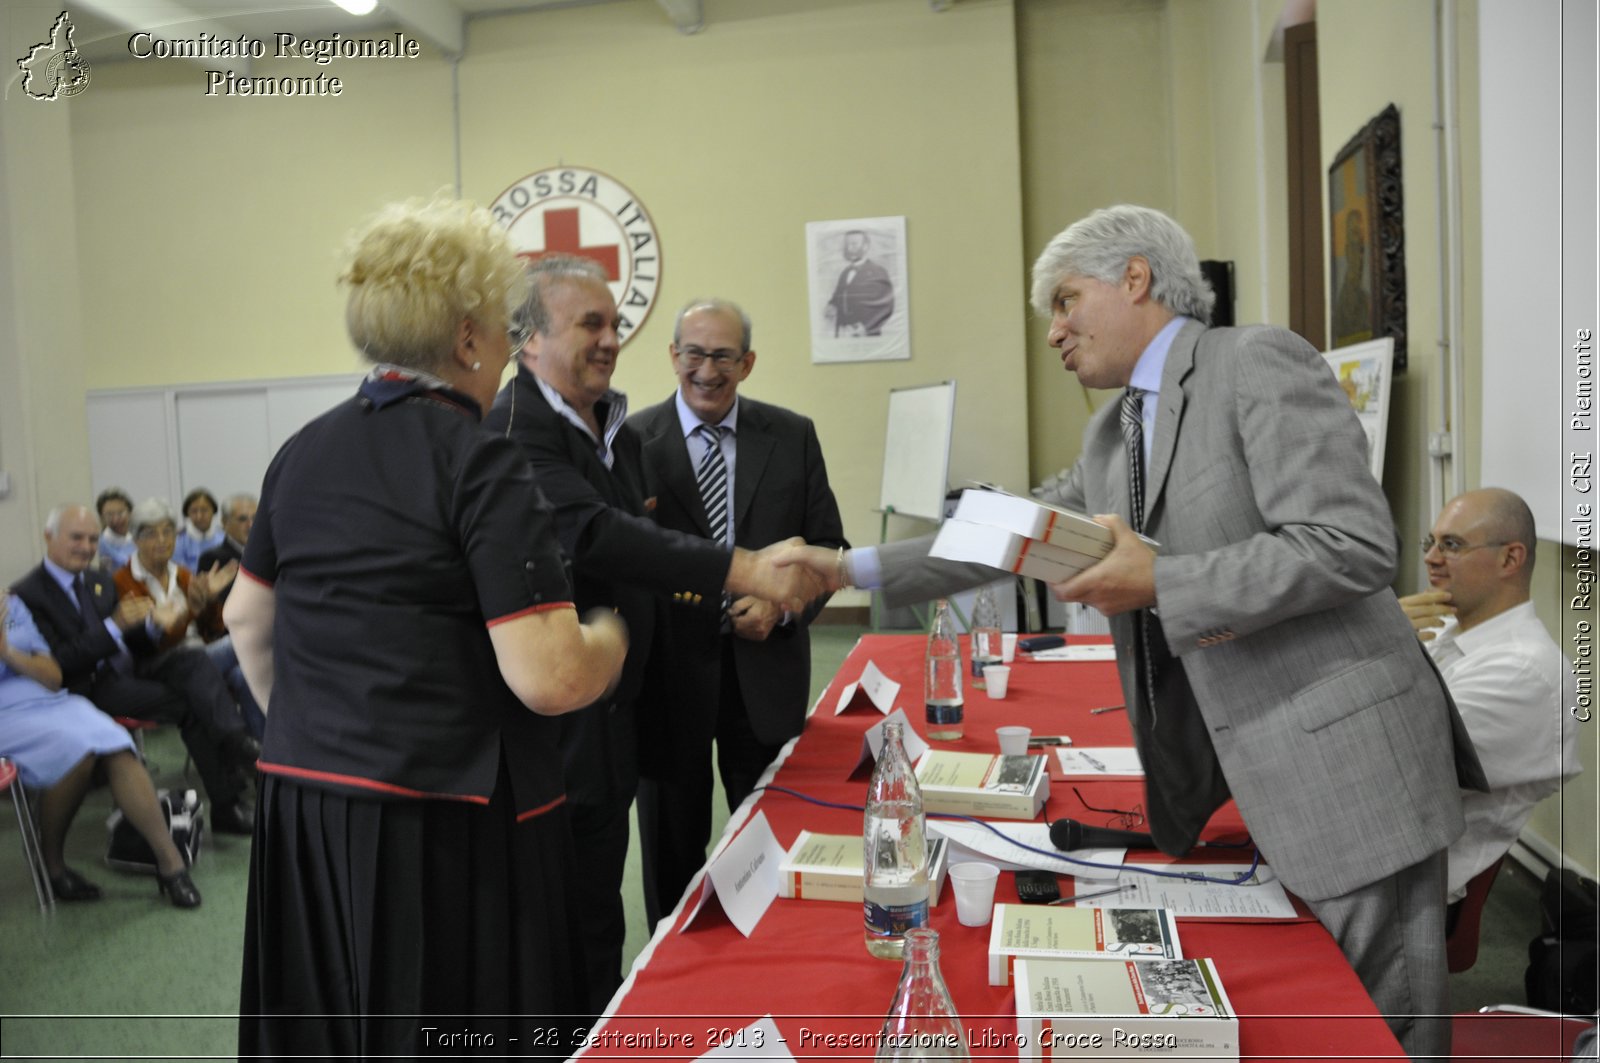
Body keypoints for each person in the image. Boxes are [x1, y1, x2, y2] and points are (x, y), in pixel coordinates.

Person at [783, 205, 1486, 1061]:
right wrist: (845, 568)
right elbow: (1006, 532)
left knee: (1389, 1031)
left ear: (1136, 279)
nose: (1055, 334)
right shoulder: (1112, 434)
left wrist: (1162, 579)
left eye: (1066, 302)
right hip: (1259, 772)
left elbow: (1352, 545)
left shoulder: (1252, 361)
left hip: (1350, 770)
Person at [224, 196, 628, 1059]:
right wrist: (609, 639)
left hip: (306, 803)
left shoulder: (301, 449)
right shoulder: (479, 456)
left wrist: (312, 725)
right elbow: (549, 675)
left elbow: (246, 618)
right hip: (446, 823)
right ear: (469, 339)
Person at [482, 255, 826, 1011]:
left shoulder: (608, 426)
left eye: (613, 324)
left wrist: (783, 598)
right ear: (528, 339)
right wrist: (747, 571)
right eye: (589, 324)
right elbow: (604, 537)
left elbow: (637, 545)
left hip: (645, 707)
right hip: (587, 714)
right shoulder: (527, 433)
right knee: (593, 910)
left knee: (611, 903)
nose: (609, 339)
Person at [628, 297, 848, 927]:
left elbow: (831, 551)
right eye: (693, 353)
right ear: (673, 356)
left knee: (775, 837)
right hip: (669, 688)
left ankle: (777, 967)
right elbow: (621, 563)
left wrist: (783, 609)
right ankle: (668, 981)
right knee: (672, 854)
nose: (707, 369)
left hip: (766, 678)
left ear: (747, 363)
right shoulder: (633, 443)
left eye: (723, 355)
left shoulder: (792, 434)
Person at [12, 504, 259, 834]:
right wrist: (115, 625)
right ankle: (235, 768)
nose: (86, 547)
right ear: (48, 536)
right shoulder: (28, 593)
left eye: (91, 539)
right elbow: (60, 661)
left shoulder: (97, 580)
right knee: (199, 691)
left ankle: (234, 765)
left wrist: (156, 625)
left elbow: (137, 641)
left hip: (129, 672)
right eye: (76, 538)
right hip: (82, 689)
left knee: (195, 667)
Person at [1398, 488, 1581, 908]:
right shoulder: (1448, 630)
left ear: (1510, 559)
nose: (1431, 558)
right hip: (1386, 851)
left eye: (1452, 545)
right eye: (1432, 542)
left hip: (1409, 891)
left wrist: (1376, 644)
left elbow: (1392, 764)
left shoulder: (1521, 670)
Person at [1, 593, 201, 908]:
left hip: (48, 700)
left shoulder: (11, 606)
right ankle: (52, 865)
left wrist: (8, 652)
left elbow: (52, 676)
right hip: (4, 715)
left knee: (115, 740)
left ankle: (170, 864)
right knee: (77, 751)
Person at [195, 493, 264, 736]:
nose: (251, 524)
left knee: (246, 676)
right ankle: (261, 756)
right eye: (243, 519)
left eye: (256, 517)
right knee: (245, 676)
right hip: (231, 640)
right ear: (224, 524)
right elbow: (223, 615)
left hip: (260, 644)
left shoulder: (270, 552)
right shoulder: (213, 558)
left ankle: (266, 754)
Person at [825, 229, 894, 337]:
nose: (849, 248)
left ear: (866, 246)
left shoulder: (878, 271)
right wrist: (831, 305)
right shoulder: (845, 272)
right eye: (847, 244)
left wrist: (865, 326)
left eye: (854, 244)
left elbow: (886, 306)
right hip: (843, 334)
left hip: (867, 335)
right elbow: (838, 296)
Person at [174, 488, 223, 571]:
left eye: (204, 510)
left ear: (213, 511)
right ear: (187, 514)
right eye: (194, 511)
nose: (199, 516)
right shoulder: (178, 541)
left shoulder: (224, 538)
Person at [94, 487, 136, 571]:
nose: (116, 519)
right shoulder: (99, 546)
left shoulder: (139, 540)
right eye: (109, 515)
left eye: (120, 513)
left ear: (130, 512)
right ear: (101, 518)